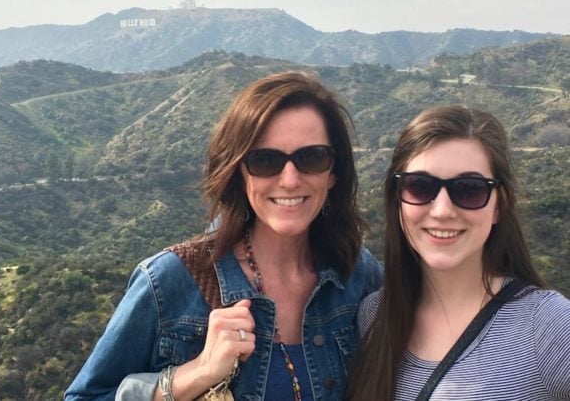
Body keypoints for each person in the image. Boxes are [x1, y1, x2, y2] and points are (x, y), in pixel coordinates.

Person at [65, 71, 383, 401]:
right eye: (265, 160)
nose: (289, 180)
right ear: (238, 172)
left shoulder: (358, 275)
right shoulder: (169, 282)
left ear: (334, 172)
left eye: (312, 157)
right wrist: (197, 373)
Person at [347, 105, 570, 400]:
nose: (442, 211)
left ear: (499, 205)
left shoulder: (545, 326)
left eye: (469, 189)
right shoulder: (373, 317)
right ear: (397, 200)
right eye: (419, 187)